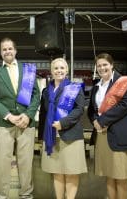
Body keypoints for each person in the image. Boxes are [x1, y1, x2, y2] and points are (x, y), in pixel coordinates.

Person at [0, 37, 40, 199]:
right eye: (4, 49)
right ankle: (0, 195)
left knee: (26, 163)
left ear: (15, 50)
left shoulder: (28, 70)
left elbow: (36, 95)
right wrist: (8, 115)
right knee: (2, 163)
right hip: (4, 123)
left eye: (10, 48)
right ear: (0, 52)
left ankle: (26, 195)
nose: (7, 51)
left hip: (26, 123)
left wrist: (28, 115)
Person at [87, 53, 127, 199]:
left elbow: (125, 105)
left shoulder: (124, 83)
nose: (102, 68)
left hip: (119, 134)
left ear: (112, 65)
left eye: (105, 64)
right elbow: (91, 109)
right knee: (108, 174)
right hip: (102, 135)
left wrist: (102, 121)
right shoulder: (96, 87)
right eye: (99, 65)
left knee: (120, 176)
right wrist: (95, 120)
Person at [38, 58, 87, 199]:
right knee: (57, 172)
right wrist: (41, 136)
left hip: (70, 136)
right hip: (51, 137)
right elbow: (43, 114)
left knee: (71, 172)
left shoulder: (74, 87)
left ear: (67, 70)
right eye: (56, 68)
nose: (59, 71)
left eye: (62, 68)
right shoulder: (46, 91)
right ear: (51, 72)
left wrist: (63, 123)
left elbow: (79, 110)